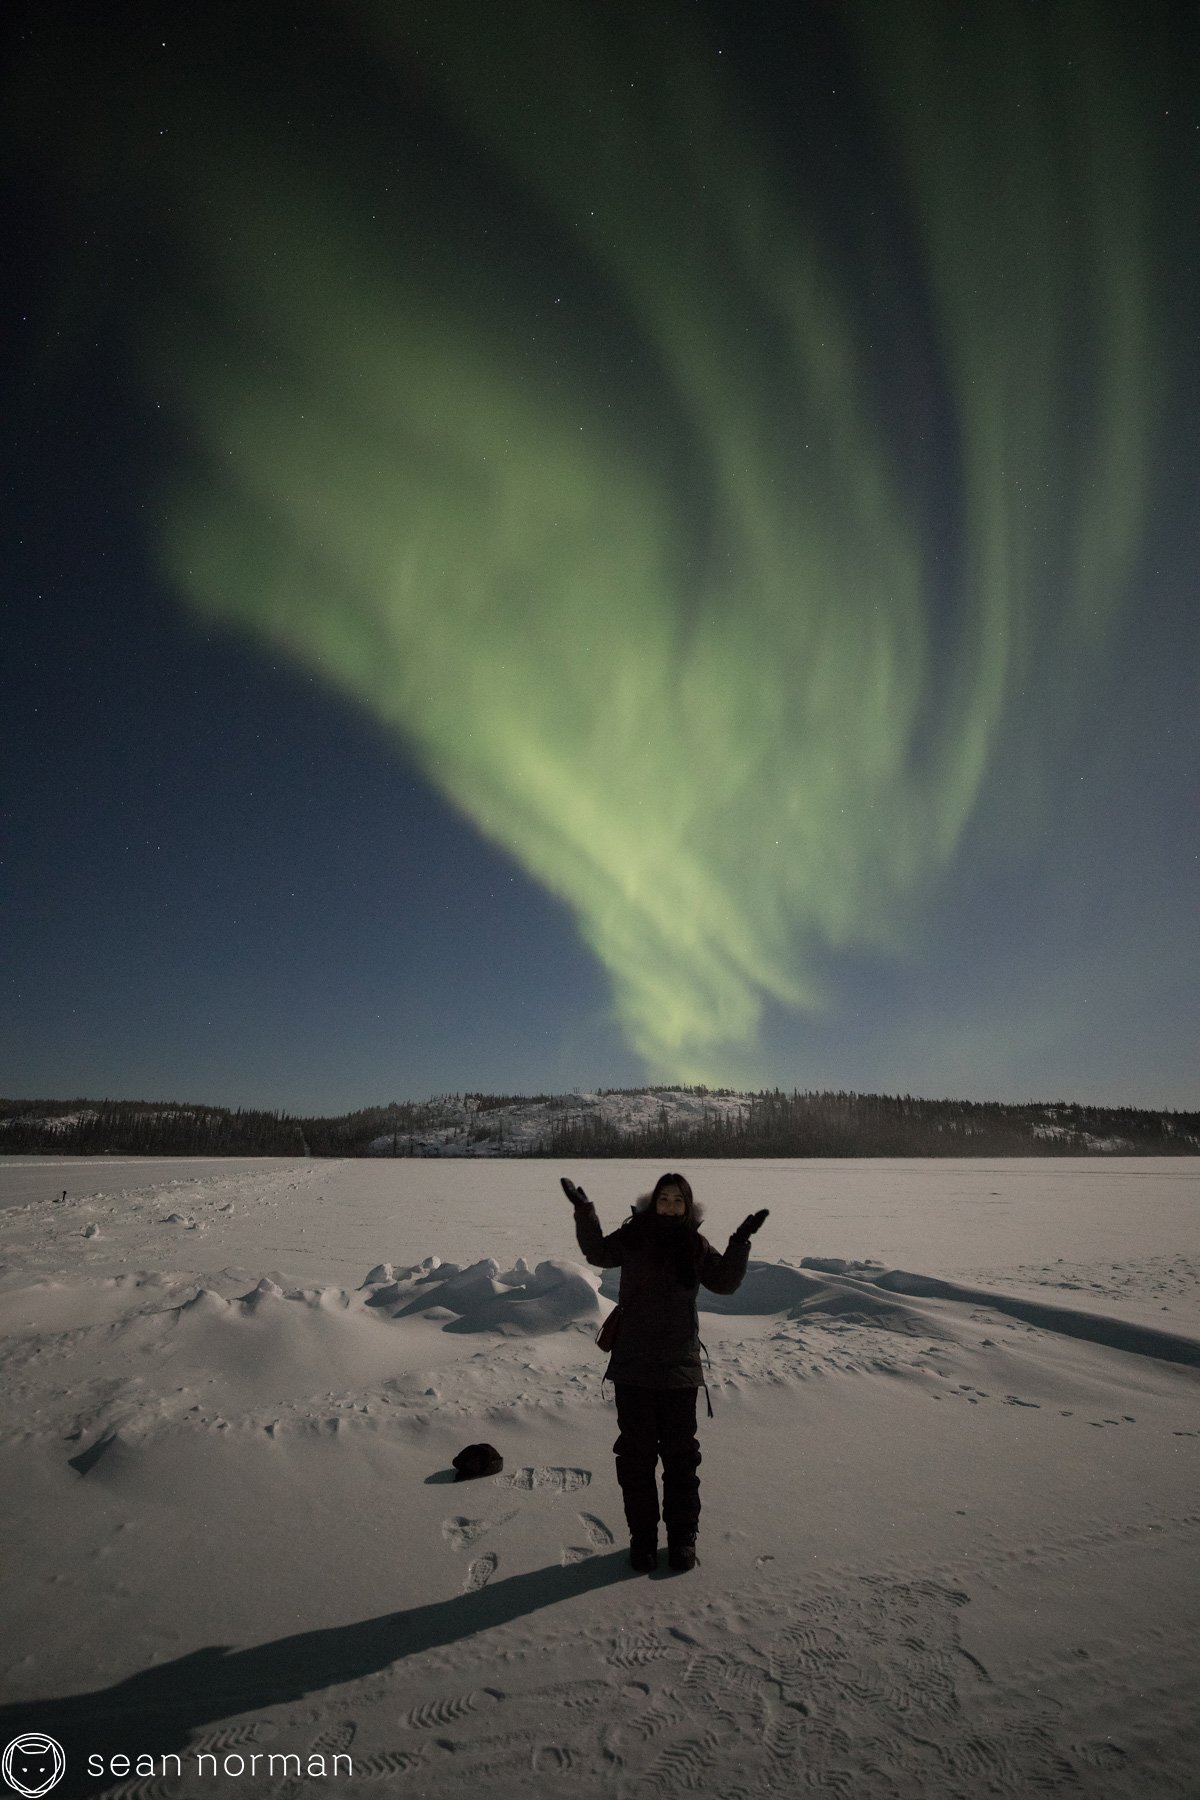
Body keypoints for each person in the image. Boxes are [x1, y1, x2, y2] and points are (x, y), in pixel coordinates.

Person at [562, 1171, 768, 1574]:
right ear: (652, 1202)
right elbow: (598, 1254)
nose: (670, 1206)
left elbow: (724, 1283)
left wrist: (740, 1241)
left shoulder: (694, 1245)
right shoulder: (634, 1237)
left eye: (678, 1200)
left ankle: (682, 1541)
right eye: (664, 1199)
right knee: (636, 1459)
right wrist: (584, 1212)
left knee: (681, 1460)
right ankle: (642, 1541)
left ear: (687, 1206)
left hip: (678, 1367)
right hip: (634, 1366)